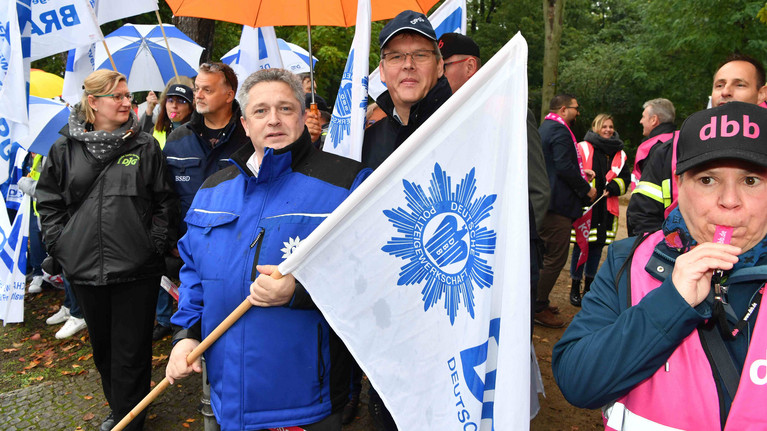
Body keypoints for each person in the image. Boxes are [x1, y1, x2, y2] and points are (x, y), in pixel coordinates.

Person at [166, 69, 370, 431]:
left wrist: (300, 291)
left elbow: (369, 276)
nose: (273, 119)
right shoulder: (213, 189)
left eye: (285, 108)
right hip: (228, 399)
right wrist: (186, 337)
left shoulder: (346, 184)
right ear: (244, 123)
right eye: (260, 111)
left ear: (304, 115)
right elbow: (195, 273)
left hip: (306, 402)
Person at [553, 101, 767, 429]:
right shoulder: (631, 261)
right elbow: (577, 380)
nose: (729, 200)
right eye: (708, 180)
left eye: (751, 181)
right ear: (680, 186)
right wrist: (672, 304)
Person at [36, 69, 177, 431]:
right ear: (93, 102)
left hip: (137, 269)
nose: (126, 101)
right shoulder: (64, 148)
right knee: (103, 349)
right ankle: (120, 408)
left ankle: (129, 419)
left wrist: (153, 246)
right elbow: (49, 201)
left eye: (128, 95)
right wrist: (60, 245)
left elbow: (164, 202)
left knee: (132, 350)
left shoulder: (145, 145)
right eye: (117, 96)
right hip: (84, 268)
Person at [360, 10, 451, 429]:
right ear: (382, 69)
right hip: (385, 310)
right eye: (396, 56)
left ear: (438, 63)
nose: (408, 65)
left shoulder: (467, 122)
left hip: (447, 309)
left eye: (419, 54)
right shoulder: (365, 136)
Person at [626, 54, 767, 236]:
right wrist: (668, 258)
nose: (726, 92)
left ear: (762, 93)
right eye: (719, 85)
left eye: (739, 84)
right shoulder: (672, 148)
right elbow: (642, 215)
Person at [138, 82, 196, 341]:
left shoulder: (195, 135)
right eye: (170, 100)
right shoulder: (155, 131)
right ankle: (164, 319)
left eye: (181, 101)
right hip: (162, 213)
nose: (174, 105)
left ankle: (189, 323)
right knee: (161, 271)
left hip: (186, 214)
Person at [534, 94, 597, 328]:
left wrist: (583, 173)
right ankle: (537, 307)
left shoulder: (546, 127)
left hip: (547, 202)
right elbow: (563, 166)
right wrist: (586, 189)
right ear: (563, 109)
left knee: (544, 256)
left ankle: (537, 300)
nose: (578, 112)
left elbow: (555, 164)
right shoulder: (559, 131)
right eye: (575, 108)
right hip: (556, 205)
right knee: (555, 256)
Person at [568, 114, 629, 306]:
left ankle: (589, 288)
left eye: (611, 127)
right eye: (604, 126)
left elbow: (625, 179)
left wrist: (614, 187)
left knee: (596, 247)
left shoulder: (619, 153)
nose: (609, 130)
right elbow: (572, 171)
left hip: (606, 207)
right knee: (581, 246)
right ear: (596, 127)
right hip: (587, 204)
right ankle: (575, 286)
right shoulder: (583, 147)